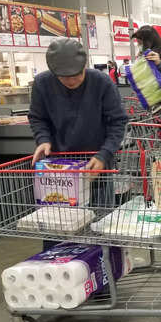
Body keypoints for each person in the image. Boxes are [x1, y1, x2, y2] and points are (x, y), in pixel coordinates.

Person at [29, 39, 129, 250]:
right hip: (58, 172)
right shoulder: (42, 83)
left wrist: (104, 155)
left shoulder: (101, 82)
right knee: (57, 229)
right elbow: (37, 118)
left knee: (100, 228)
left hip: (96, 168)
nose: (72, 81)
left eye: (76, 75)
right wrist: (43, 139)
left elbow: (118, 121)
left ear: (85, 66)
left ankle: (103, 275)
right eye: (64, 77)